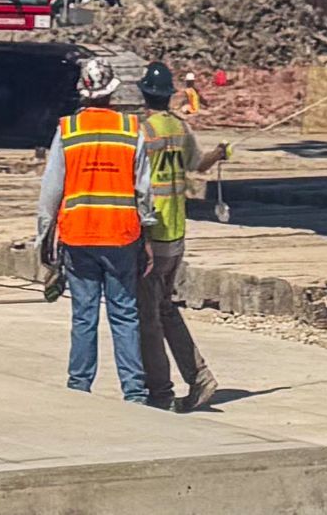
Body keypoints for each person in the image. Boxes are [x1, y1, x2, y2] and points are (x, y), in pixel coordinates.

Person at [36, 54, 154, 402]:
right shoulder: (132, 130)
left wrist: (45, 240)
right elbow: (143, 191)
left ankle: (79, 388)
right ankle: (134, 392)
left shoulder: (68, 130)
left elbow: (51, 190)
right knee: (124, 315)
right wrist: (145, 235)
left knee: (84, 316)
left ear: (83, 93)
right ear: (113, 92)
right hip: (121, 235)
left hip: (78, 235)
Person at [134, 59, 220, 413]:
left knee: (147, 317)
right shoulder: (180, 129)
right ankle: (199, 376)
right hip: (177, 233)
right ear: (169, 95)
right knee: (166, 308)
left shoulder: (143, 131)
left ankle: (160, 391)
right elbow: (197, 165)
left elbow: (137, 186)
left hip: (152, 235)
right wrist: (219, 153)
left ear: (143, 94)